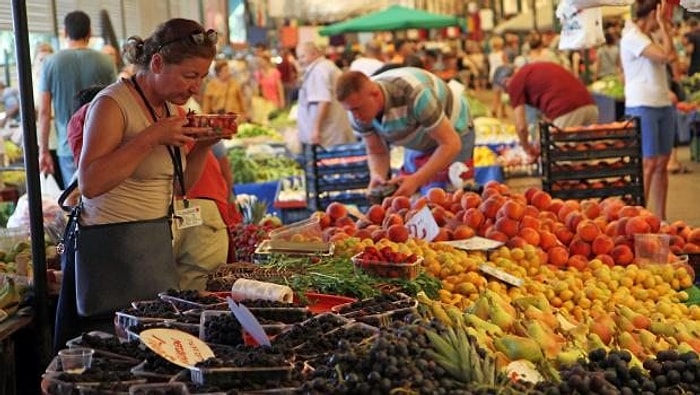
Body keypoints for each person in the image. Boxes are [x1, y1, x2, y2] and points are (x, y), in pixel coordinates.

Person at [54, 17, 219, 350]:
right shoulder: (112, 104)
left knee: (151, 343)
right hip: (111, 253)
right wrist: (151, 137)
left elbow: (178, 187)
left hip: (152, 247)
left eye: (201, 77)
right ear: (156, 62)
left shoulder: (168, 108)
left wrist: (204, 145)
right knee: (111, 349)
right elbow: (90, 182)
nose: (195, 88)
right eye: (190, 75)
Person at [336, 68, 474, 197]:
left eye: (357, 109)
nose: (355, 116)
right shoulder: (356, 108)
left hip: (454, 129)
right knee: (415, 198)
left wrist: (417, 179)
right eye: (350, 110)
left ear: (375, 95)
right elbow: (376, 151)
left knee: (443, 196)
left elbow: (451, 144)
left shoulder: (415, 94)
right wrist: (377, 175)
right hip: (419, 135)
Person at [38, 10, 117, 185]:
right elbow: (116, 100)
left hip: (68, 147)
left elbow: (44, 112)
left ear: (65, 32)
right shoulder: (106, 61)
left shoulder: (50, 63)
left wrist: (43, 150)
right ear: (89, 32)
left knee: (74, 204)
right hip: (104, 145)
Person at [620, 0, 676, 219]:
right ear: (654, 13)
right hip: (643, 105)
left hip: (662, 103)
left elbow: (671, 59)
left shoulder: (647, 38)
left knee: (662, 163)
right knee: (648, 163)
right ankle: (640, 218)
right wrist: (663, 25)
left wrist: (663, 30)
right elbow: (667, 56)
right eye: (662, 14)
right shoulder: (632, 37)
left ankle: (661, 219)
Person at [492, 63, 599, 157]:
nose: (507, 93)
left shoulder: (516, 81)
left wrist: (527, 149)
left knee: (558, 159)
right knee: (583, 156)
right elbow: (548, 111)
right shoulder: (532, 70)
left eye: (505, 90)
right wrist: (540, 141)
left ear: (506, 81)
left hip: (567, 110)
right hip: (590, 106)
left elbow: (521, 127)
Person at [295, 41, 354, 147]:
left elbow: (323, 101)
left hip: (327, 136)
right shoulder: (325, 66)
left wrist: (315, 129)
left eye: (303, 56)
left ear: (314, 53)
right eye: (299, 57)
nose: (300, 61)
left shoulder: (319, 70)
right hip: (333, 131)